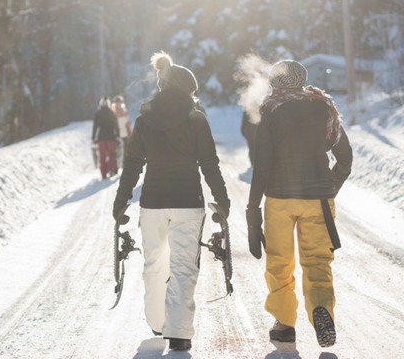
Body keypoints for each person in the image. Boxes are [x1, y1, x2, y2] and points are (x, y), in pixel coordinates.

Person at [112, 51, 230, 351]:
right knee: (183, 266)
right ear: (188, 90)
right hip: (189, 202)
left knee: (154, 263)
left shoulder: (144, 119)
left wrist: (121, 199)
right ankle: (178, 332)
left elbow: (133, 163)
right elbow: (209, 163)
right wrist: (222, 199)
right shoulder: (197, 119)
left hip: (153, 202)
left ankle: (157, 322)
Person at [246, 60, 353, 348]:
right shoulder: (324, 106)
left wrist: (252, 209)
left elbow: (263, 164)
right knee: (318, 261)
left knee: (280, 262)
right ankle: (321, 308)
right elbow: (345, 158)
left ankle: (284, 324)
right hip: (318, 198)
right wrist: (331, 186)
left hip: (280, 199)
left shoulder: (271, 109)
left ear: (275, 83)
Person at [92, 96, 120, 179]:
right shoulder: (112, 112)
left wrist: (94, 137)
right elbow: (116, 125)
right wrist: (117, 135)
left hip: (101, 138)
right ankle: (111, 169)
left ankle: (103, 174)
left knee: (102, 156)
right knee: (112, 155)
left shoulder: (98, 113)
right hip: (111, 137)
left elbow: (95, 126)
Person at [112, 95, 133, 169]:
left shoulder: (124, 111)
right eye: (117, 103)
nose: (118, 104)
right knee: (117, 150)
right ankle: (116, 165)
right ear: (115, 103)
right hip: (117, 134)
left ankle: (125, 164)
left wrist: (130, 133)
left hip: (125, 133)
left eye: (119, 102)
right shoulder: (113, 112)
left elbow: (128, 123)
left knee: (125, 149)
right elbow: (112, 123)